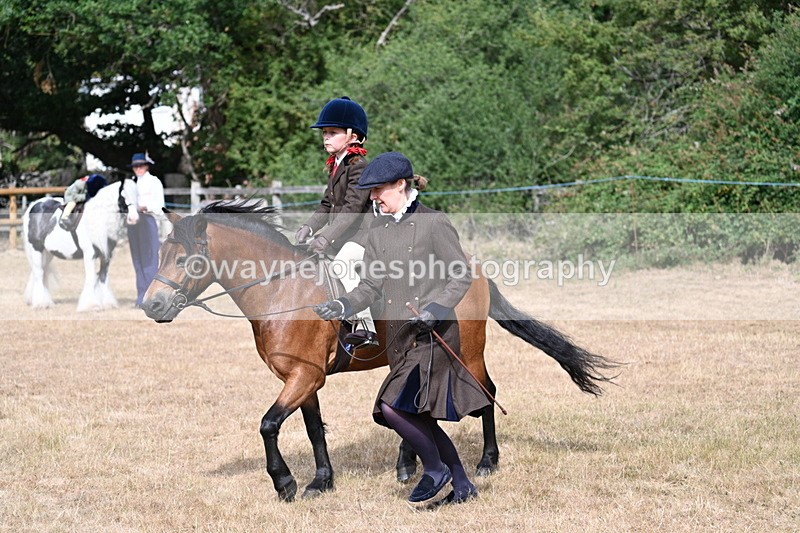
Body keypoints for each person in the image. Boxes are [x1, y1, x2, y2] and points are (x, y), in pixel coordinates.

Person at [313, 152, 489, 506]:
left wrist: (436, 308)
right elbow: (370, 285)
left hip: (433, 334)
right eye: (371, 191)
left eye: (379, 190)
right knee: (417, 412)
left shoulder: (433, 222)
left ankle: (435, 469)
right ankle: (463, 484)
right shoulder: (377, 233)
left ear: (400, 184)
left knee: (390, 407)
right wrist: (344, 304)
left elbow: (460, 273)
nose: (374, 197)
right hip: (398, 338)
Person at [297, 96, 377, 348]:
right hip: (341, 237)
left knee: (341, 264)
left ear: (353, 135)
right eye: (324, 133)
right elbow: (326, 205)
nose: (326, 137)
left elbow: (352, 209)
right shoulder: (336, 166)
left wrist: (325, 237)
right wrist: (308, 227)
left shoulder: (359, 167)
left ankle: (365, 326)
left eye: (332, 132)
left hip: (362, 237)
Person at [126, 152, 164, 307]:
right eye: (135, 166)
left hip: (148, 219)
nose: (138, 168)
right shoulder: (131, 184)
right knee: (138, 260)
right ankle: (141, 296)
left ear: (146, 166)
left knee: (149, 259)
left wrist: (145, 207)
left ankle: (151, 295)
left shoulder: (154, 182)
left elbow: (160, 206)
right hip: (133, 222)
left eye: (140, 165)